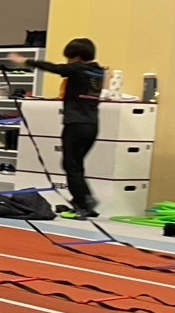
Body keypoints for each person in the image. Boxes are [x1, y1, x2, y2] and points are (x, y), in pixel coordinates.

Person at [11, 39, 106, 219]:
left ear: (77, 57)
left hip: (75, 124)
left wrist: (26, 61)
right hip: (92, 125)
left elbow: (56, 69)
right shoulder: (98, 72)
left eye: (70, 58)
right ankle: (84, 202)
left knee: (71, 165)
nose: (68, 61)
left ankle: (84, 203)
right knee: (75, 165)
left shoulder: (77, 69)